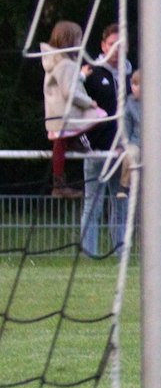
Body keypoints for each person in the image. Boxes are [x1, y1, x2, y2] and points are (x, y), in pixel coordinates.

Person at [78, 24, 128, 257]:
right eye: (112, 45)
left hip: (124, 153)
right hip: (97, 151)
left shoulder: (133, 74)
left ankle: (120, 254)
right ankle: (88, 254)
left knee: (121, 204)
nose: (116, 50)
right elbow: (76, 109)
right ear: (103, 46)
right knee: (93, 204)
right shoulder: (92, 74)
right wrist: (89, 145)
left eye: (121, 45)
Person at [40, 19, 105, 200]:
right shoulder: (66, 64)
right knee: (97, 115)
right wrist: (89, 102)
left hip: (58, 112)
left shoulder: (56, 61)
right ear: (69, 40)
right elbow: (70, 91)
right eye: (78, 38)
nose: (80, 42)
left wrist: (82, 75)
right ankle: (59, 184)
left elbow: (66, 83)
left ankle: (73, 140)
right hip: (64, 112)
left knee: (61, 140)